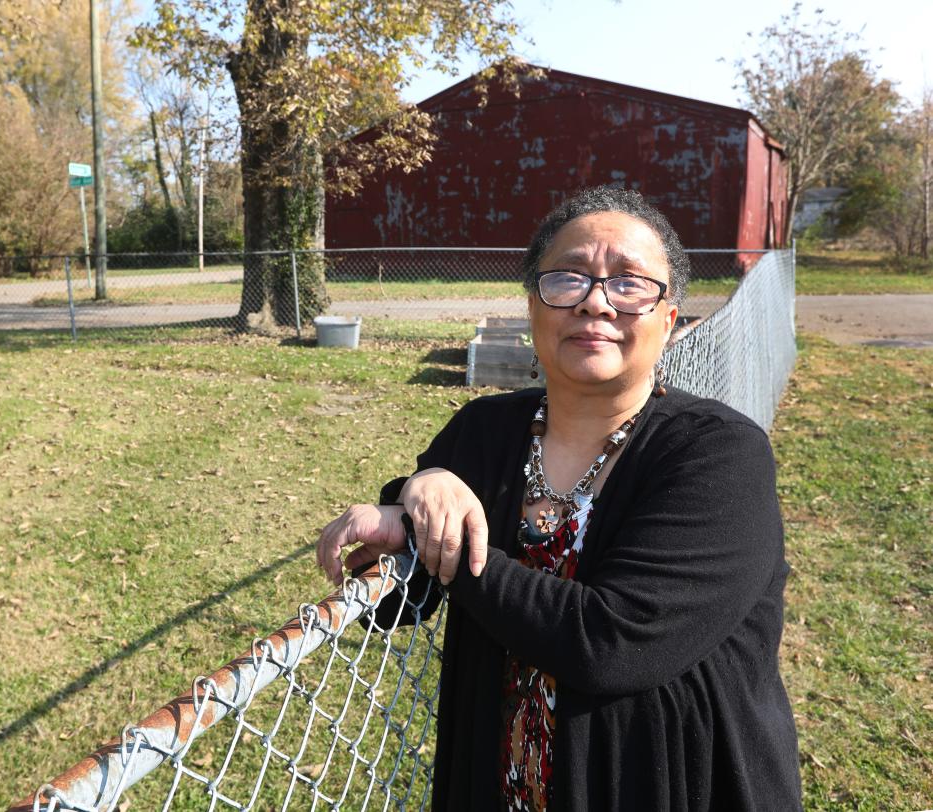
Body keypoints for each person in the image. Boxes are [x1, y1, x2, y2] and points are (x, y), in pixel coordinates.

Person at [316, 186, 802, 811]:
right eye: (568, 277)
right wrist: (412, 498)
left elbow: (611, 645)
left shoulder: (719, 454)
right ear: (534, 304)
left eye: (630, 283)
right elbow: (400, 603)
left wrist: (451, 547)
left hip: (669, 785)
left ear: (669, 317)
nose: (595, 302)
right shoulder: (484, 431)